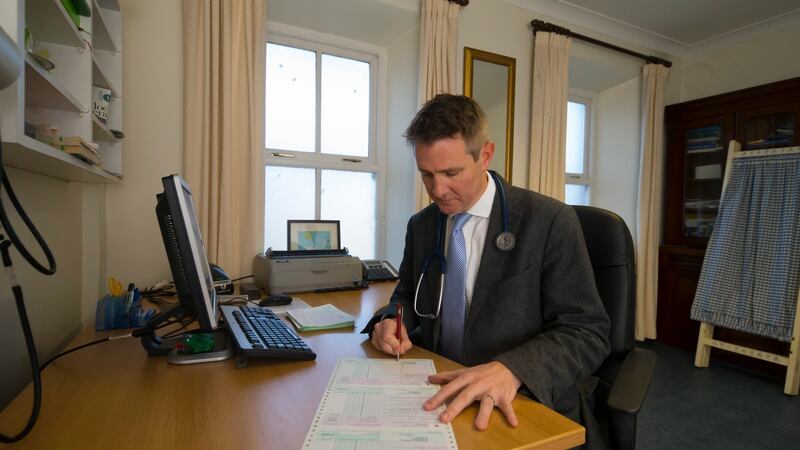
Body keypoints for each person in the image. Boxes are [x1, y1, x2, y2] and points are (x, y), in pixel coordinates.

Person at [361, 94, 610, 448]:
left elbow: (588, 332)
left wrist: (513, 369)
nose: (437, 190)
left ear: (486, 155)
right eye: (426, 174)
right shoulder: (422, 225)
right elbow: (405, 296)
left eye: (451, 173)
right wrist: (390, 320)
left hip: (520, 398)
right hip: (441, 389)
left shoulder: (550, 221)